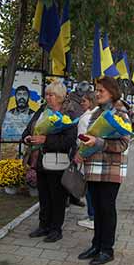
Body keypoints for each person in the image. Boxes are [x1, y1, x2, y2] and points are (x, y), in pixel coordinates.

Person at [76, 77, 130, 265]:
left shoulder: (120, 114)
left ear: (112, 92)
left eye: (101, 91)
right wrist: (82, 148)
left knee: (107, 209)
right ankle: (96, 245)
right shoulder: (95, 113)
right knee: (97, 209)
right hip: (93, 167)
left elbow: (123, 144)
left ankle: (107, 250)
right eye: (96, 90)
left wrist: (98, 142)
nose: (97, 93)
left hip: (110, 169)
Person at [22, 81, 77, 243]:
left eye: (51, 95)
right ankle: (43, 225)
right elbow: (29, 128)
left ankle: (55, 229)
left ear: (60, 97)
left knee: (57, 197)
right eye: (46, 94)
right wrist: (27, 137)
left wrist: (45, 140)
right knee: (44, 195)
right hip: (39, 160)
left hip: (57, 161)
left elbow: (68, 140)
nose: (48, 97)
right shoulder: (42, 110)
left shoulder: (69, 114)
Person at [76, 91, 98, 230]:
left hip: (87, 156)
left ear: (90, 102)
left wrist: (80, 153)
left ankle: (92, 217)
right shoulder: (95, 115)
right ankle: (93, 216)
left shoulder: (86, 118)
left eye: (84, 101)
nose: (81, 103)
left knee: (90, 190)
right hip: (94, 157)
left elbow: (83, 139)